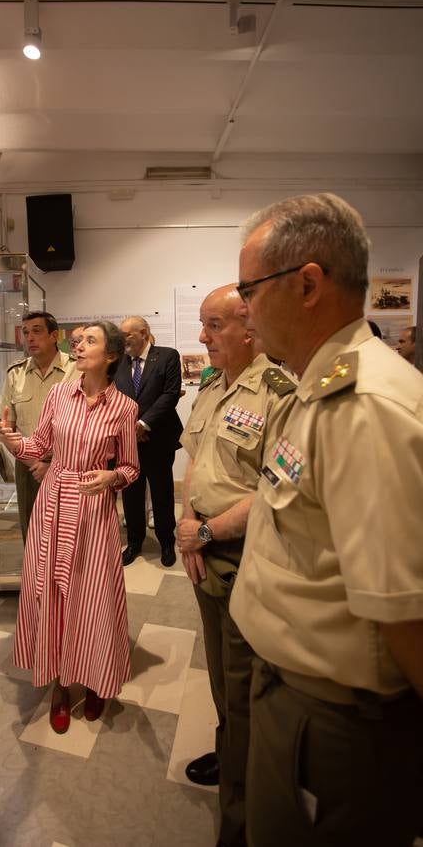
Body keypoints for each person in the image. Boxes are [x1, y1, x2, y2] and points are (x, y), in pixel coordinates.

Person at [230, 193, 423, 847]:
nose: (244, 309)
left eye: (249, 289)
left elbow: (404, 613)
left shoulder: (364, 406)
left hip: (336, 723)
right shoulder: (315, 388)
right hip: (297, 698)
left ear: (308, 283)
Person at [176, 285, 296, 847]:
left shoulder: (279, 393)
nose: (202, 337)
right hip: (204, 552)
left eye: (214, 325)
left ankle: (242, 820)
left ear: (249, 327)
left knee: (247, 693)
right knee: (224, 684)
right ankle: (230, 760)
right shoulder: (211, 386)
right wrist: (186, 529)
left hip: (243, 559)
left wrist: (204, 532)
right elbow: (195, 459)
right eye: (203, 324)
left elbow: (274, 493)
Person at [0, 321, 139, 733]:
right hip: (54, 503)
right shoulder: (59, 394)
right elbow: (39, 447)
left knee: (91, 598)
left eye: (89, 341)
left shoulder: (124, 409)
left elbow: (130, 466)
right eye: (77, 341)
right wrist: (11, 439)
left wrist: (113, 478)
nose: (77, 345)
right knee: (53, 595)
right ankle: (60, 684)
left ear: (110, 356)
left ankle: (95, 680)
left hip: (94, 512)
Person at [0, 311, 79, 540]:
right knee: (32, 531)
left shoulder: (77, 370)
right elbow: (7, 427)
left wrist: (53, 464)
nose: (30, 338)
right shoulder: (16, 374)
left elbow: (87, 426)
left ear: (54, 336)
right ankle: (36, 577)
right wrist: (34, 463)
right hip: (28, 467)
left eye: (37, 331)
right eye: (25, 333)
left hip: (69, 466)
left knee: (67, 535)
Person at [115, 316, 182, 567]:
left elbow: (170, 394)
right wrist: (128, 428)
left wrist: (143, 424)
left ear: (143, 333)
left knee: (162, 492)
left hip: (159, 438)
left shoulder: (166, 356)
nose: (123, 341)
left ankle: (166, 541)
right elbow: (112, 397)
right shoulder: (119, 362)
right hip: (128, 441)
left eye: (127, 335)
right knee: (131, 493)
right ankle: (134, 541)